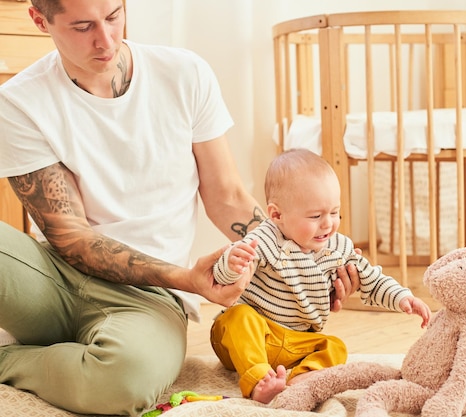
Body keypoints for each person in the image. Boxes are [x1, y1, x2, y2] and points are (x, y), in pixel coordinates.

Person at [0, 1, 358, 415]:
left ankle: (11, 360)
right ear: (40, 20)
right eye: (83, 27)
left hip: (150, 299)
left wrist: (300, 258)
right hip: (54, 277)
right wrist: (188, 277)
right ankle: (59, 348)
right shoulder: (18, 101)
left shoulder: (184, 74)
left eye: (114, 16)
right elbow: (72, 237)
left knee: (124, 381)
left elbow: (226, 197)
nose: (106, 39)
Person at [210, 148, 433, 404]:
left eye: (334, 212)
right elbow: (223, 277)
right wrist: (231, 263)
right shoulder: (265, 238)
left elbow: (371, 278)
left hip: (296, 341)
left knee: (334, 346)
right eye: (316, 216)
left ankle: (302, 379)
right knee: (238, 317)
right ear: (276, 215)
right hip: (250, 336)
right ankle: (258, 380)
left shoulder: (338, 248)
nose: (328, 223)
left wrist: (402, 297)